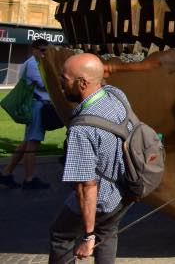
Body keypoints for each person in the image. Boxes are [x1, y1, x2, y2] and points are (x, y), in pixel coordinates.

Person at [48, 53, 134, 264]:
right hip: (125, 190)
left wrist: (88, 236)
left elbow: (86, 187)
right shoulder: (116, 95)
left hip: (102, 199)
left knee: (61, 235)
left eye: (65, 79)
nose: (60, 84)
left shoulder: (83, 129)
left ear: (82, 83)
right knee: (107, 234)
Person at [1, 39, 52, 189]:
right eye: (42, 50)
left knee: (26, 143)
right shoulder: (32, 64)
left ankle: (6, 173)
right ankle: (29, 179)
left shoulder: (35, 62)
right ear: (34, 50)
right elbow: (45, 84)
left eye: (46, 51)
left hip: (36, 105)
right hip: (36, 106)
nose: (45, 54)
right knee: (32, 143)